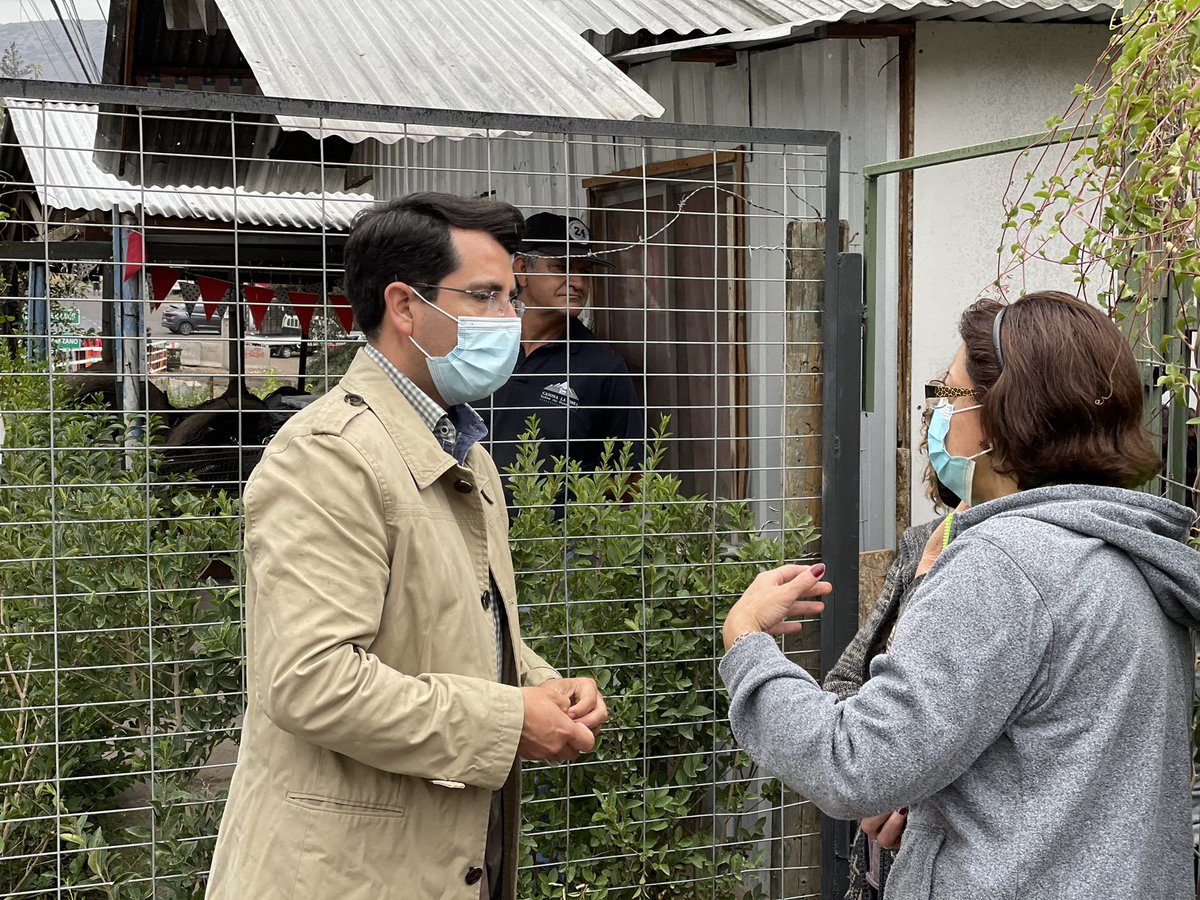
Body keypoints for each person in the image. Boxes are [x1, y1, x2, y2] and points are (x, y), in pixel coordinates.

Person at [721, 291, 1200, 898]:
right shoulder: (1130, 558)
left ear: (1005, 416)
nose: (937, 414)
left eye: (949, 394)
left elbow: (852, 763)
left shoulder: (1004, 566)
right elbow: (1055, 772)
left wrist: (748, 646)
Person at [206, 193, 608, 900]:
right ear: (404, 306)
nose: (508, 320)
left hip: (439, 854)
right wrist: (509, 720)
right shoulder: (330, 457)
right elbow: (310, 682)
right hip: (341, 871)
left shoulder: (462, 447)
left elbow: (451, 627)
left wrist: (536, 684)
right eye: (484, 296)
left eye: (511, 297)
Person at [822, 444, 961, 899]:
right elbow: (845, 680)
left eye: (954, 399)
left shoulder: (1025, 569)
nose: (941, 417)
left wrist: (917, 794)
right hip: (884, 859)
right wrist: (879, 776)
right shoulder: (924, 543)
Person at [478, 212, 643, 509]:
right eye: (561, 267)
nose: (577, 282)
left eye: (585, 271)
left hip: (552, 550)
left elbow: (628, 476)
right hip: (464, 533)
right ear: (521, 270)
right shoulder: (478, 342)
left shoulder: (603, 367)